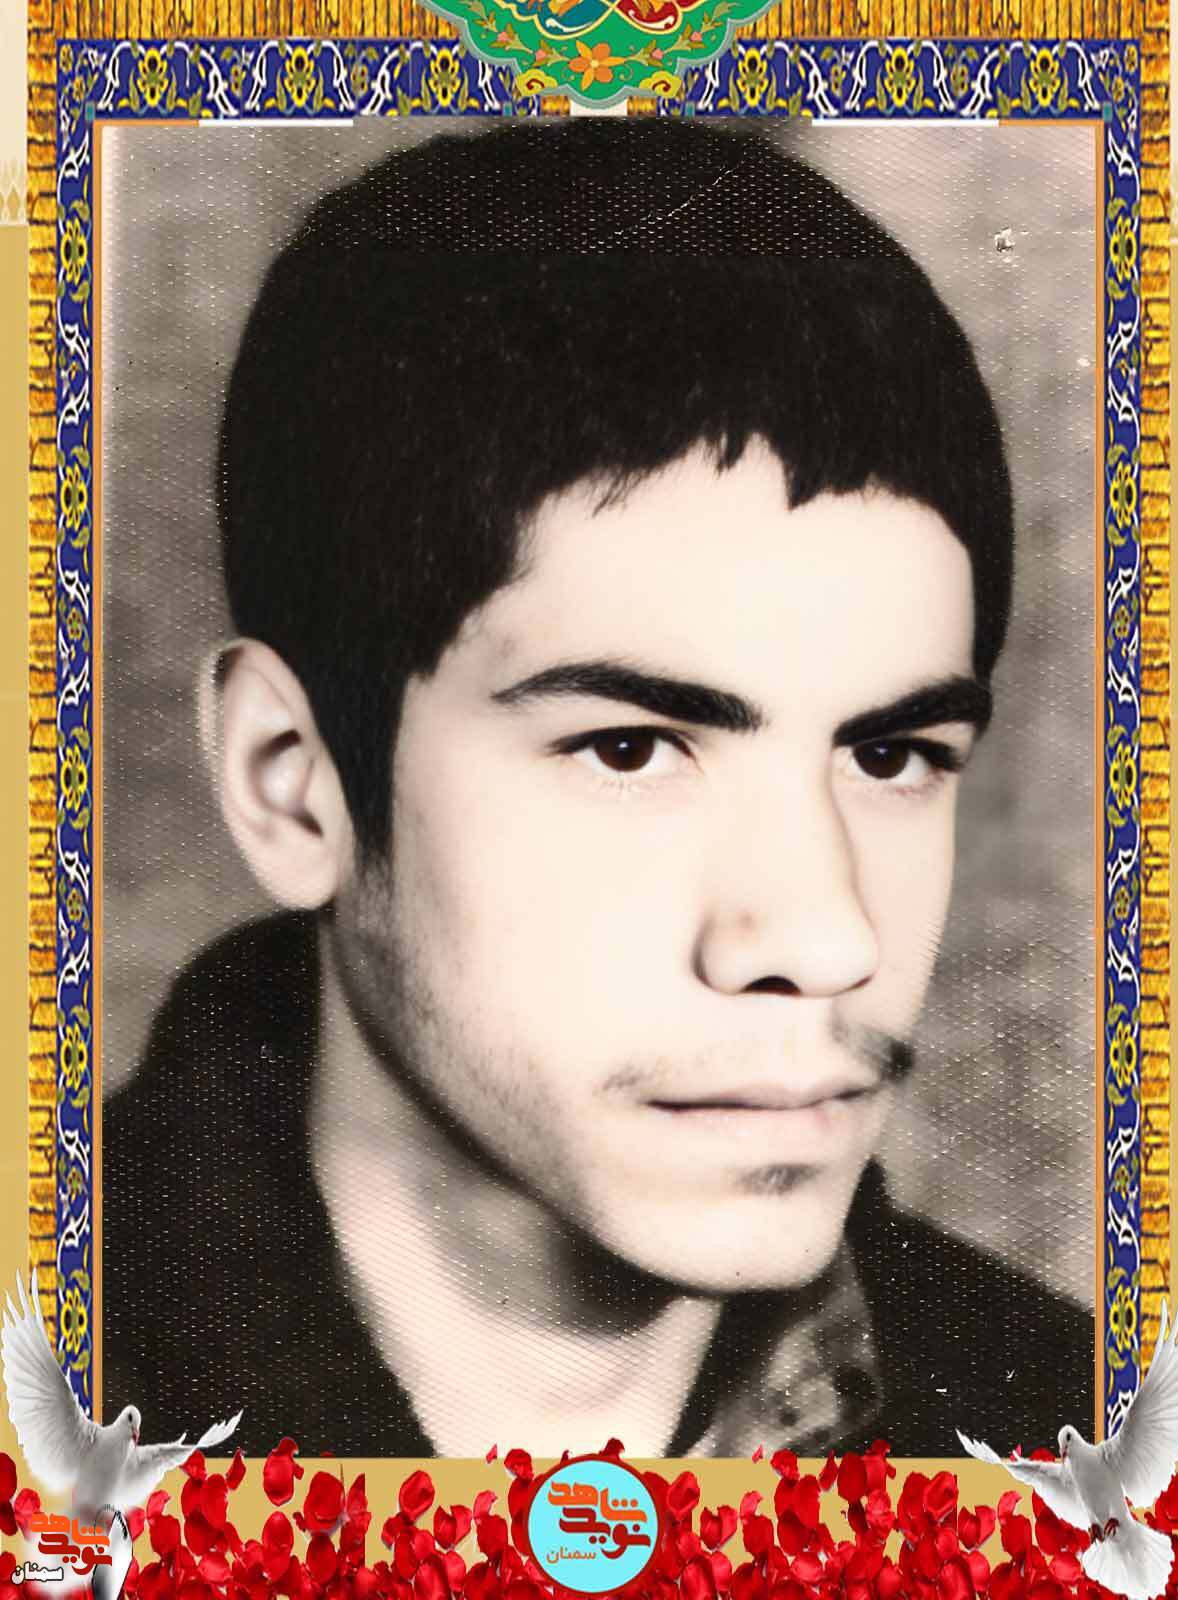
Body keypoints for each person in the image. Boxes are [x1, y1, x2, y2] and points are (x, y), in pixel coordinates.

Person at [102, 116, 1092, 1459]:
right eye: (631, 750)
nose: (824, 940)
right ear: (294, 784)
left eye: (890, 756)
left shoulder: (1091, 1454)